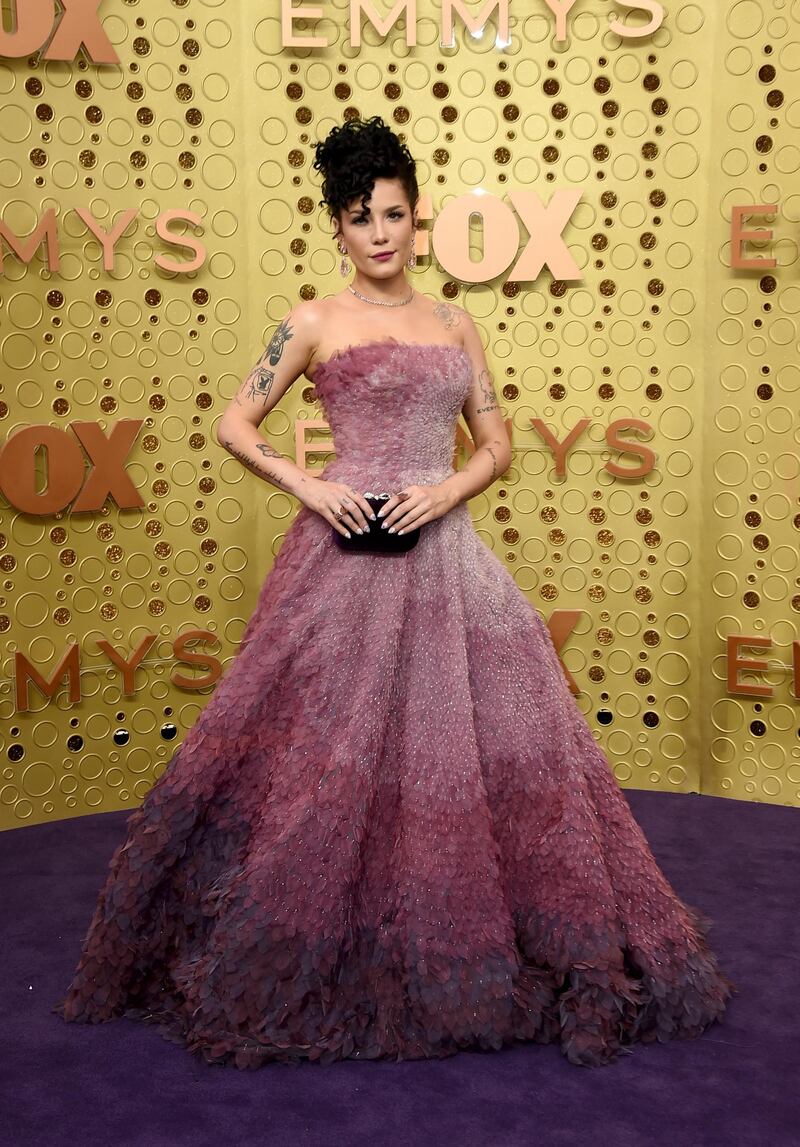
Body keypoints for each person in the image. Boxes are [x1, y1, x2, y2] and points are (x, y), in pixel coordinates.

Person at [52, 114, 736, 1070]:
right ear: (337, 226)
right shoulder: (313, 321)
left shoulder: (457, 321)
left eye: (394, 214)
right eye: (359, 215)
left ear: (419, 222)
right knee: (327, 762)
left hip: (448, 557)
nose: (379, 231)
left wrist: (444, 490)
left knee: (477, 747)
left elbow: (495, 443)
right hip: (340, 561)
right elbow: (236, 422)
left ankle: (472, 943)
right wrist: (315, 486)